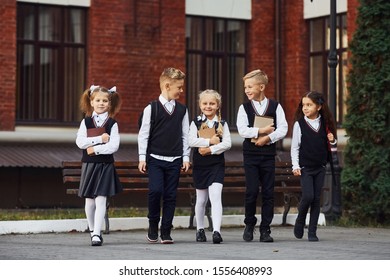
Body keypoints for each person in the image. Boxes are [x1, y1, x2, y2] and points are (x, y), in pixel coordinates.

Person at [138, 67, 191, 244]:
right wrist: (142, 157)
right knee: (155, 191)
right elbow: (143, 134)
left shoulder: (183, 110)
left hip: (175, 160)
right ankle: (153, 224)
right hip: (154, 159)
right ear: (167, 86)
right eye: (179, 87)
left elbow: (185, 135)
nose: (181, 91)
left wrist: (185, 157)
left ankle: (166, 230)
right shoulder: (151, 109)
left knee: (170, 195)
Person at [236, 69, 288, 242]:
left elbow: (283, 128)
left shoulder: (275, 106)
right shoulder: (244, 108)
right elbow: (242, 130)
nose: (247, 90)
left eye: (250, 86)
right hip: (250, 155)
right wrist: (260, 131)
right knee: (251, 191)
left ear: (261, 86)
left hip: (267, 155)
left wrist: (267, 138)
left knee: (268, 192)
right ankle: (249, 224)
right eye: (245, 87)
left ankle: (265, 229)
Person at [76, 85, 123, 246]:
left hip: (105, 165)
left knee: (101, 199)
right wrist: (99, 139)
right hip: (89, 165)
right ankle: (91, 229)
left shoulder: (112, 123)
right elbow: (80, 142)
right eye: (98, 100)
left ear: (109, 103)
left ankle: (97, 233)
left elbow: (114, 146)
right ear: (91, 102)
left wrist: (94, 149)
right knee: (89, 201)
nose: (101, 103)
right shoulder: (86, 122)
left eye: (104, 100)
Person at [291, 91, 337, 242]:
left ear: (318, 106)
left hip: (320, 167)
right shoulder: (300, 124)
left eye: (309, 105)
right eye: (303, 105)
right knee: (308, 196)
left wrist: (332, 140)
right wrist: (295, 165)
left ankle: (312, 232)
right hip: (305, 167)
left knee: (316, 199)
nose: (305, 108)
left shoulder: (325, 123)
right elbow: (295, 147)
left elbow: (331, 146)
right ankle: (300, 219)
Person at [188, 89, 232, 244]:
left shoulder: (222, 124)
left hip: (216, 164)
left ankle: (216, 231)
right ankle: (200, 229)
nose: (208, 106)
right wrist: (208, 142)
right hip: (200, 165)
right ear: (200, 105)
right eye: (205, 103)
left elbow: (227, 143)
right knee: (201, 200)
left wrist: (211, 149)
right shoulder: (196, 122)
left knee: (215, 197)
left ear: (217, 105)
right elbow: (191, 141)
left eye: (212, 103)